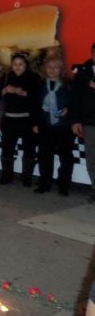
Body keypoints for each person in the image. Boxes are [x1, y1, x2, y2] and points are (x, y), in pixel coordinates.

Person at [0, 52, 41, 186]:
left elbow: (38, 100)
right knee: (7, 149)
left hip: (28, 120)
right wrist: (5, 90)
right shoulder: (6, 77)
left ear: (26, 65)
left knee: (29, 149)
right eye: (15, 64)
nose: (17, 67)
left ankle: (27, 178)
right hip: (9, 120)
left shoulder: (33, 77)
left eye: (21, 64)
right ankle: (6, 177)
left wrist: (23, 92)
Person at [35, 57, 75, 195]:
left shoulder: (69, 85)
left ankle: (64, 186)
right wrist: (35, 123)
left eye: (56, 67)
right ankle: (44, 184)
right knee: (44, 157)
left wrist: (68, 111)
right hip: (45, 126)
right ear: (45, 69)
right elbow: (34, 106)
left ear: (61, 69)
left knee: (66, 158)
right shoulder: (39, 84)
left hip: (64, 127)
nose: (52, 70)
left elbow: (76, 103)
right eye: (49, 67)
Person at [72, 42, 95, 203]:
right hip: (89, 121)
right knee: (91, 157)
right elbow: (75, 98)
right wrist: (76, 120)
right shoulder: (83, 72)